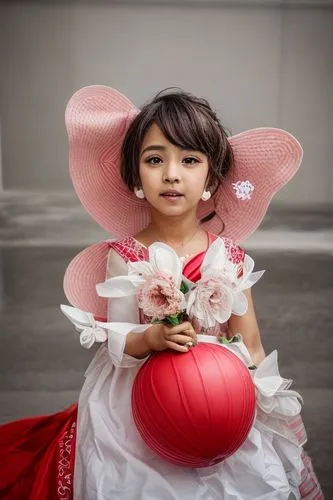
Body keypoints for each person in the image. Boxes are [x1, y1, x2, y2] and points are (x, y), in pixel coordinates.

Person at [0, 85, 324, 500]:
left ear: (211, 176)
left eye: (189, 160)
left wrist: (259, 401)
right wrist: (151, 338)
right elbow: (116, 341)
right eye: (155, 159)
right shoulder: (125, 257)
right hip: (140, 399)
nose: (172, 174)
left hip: (217, 402)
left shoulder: (230, 258)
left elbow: (250, 344)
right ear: (136, 177)